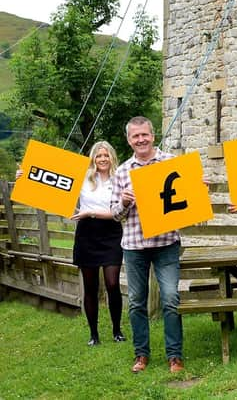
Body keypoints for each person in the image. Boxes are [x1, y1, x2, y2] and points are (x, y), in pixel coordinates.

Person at [17, 141, 125, 347]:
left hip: (111, 233)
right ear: (93, 158)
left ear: (112, 157)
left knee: (112, 284)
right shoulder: (82, 178)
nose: (102, 159)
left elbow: (124, 207)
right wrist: (25, 179)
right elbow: (49, 186)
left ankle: (117, 330)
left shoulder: (119, 178)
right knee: (91, 287)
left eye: (106, 155)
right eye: (98, 156)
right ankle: (94, 335)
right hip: (86, 233)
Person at [111, 116, 184, 373]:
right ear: (129, 140)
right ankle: (141, 354)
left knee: (171, 298)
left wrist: (197, 186)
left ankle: (175, 355)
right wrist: (124, 202)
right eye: (135, 136)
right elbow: (115, 214)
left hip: (166, 242)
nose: (140, 140)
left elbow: (186, 199)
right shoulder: (121, 171)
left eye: (144, 135)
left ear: (153, 136)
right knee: (136, 302)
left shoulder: (171, 163)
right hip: (134, 245)